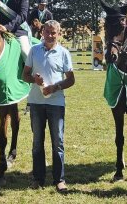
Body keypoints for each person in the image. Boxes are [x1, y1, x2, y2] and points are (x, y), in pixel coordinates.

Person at [22, 20, 75, 192]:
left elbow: (71, 79)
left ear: (59, 34)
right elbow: (25, 75)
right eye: (47, 32)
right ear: (42, 32)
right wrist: (34, 79)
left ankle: (59, 179)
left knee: (57, 142)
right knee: (37, 142)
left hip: (56, 103)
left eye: (54, 33)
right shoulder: (34, 50)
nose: (50, 36)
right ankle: (38, 178)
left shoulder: (64, 53)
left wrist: (55, 87)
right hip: (36, 102)